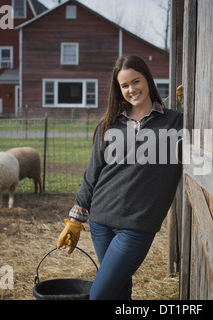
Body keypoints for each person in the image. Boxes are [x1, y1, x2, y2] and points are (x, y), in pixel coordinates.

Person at [57, 55, 183, 300]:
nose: (131, 89)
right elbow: (93, 172)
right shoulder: (110, 123)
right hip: (100, 222)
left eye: (136, 81)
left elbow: (203, 145)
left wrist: (193, 107)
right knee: (118, 293)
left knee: (99, 296)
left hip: (137, 226)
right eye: (124, 86)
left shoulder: (176, 121)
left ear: (147, 79)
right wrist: (76, 219)